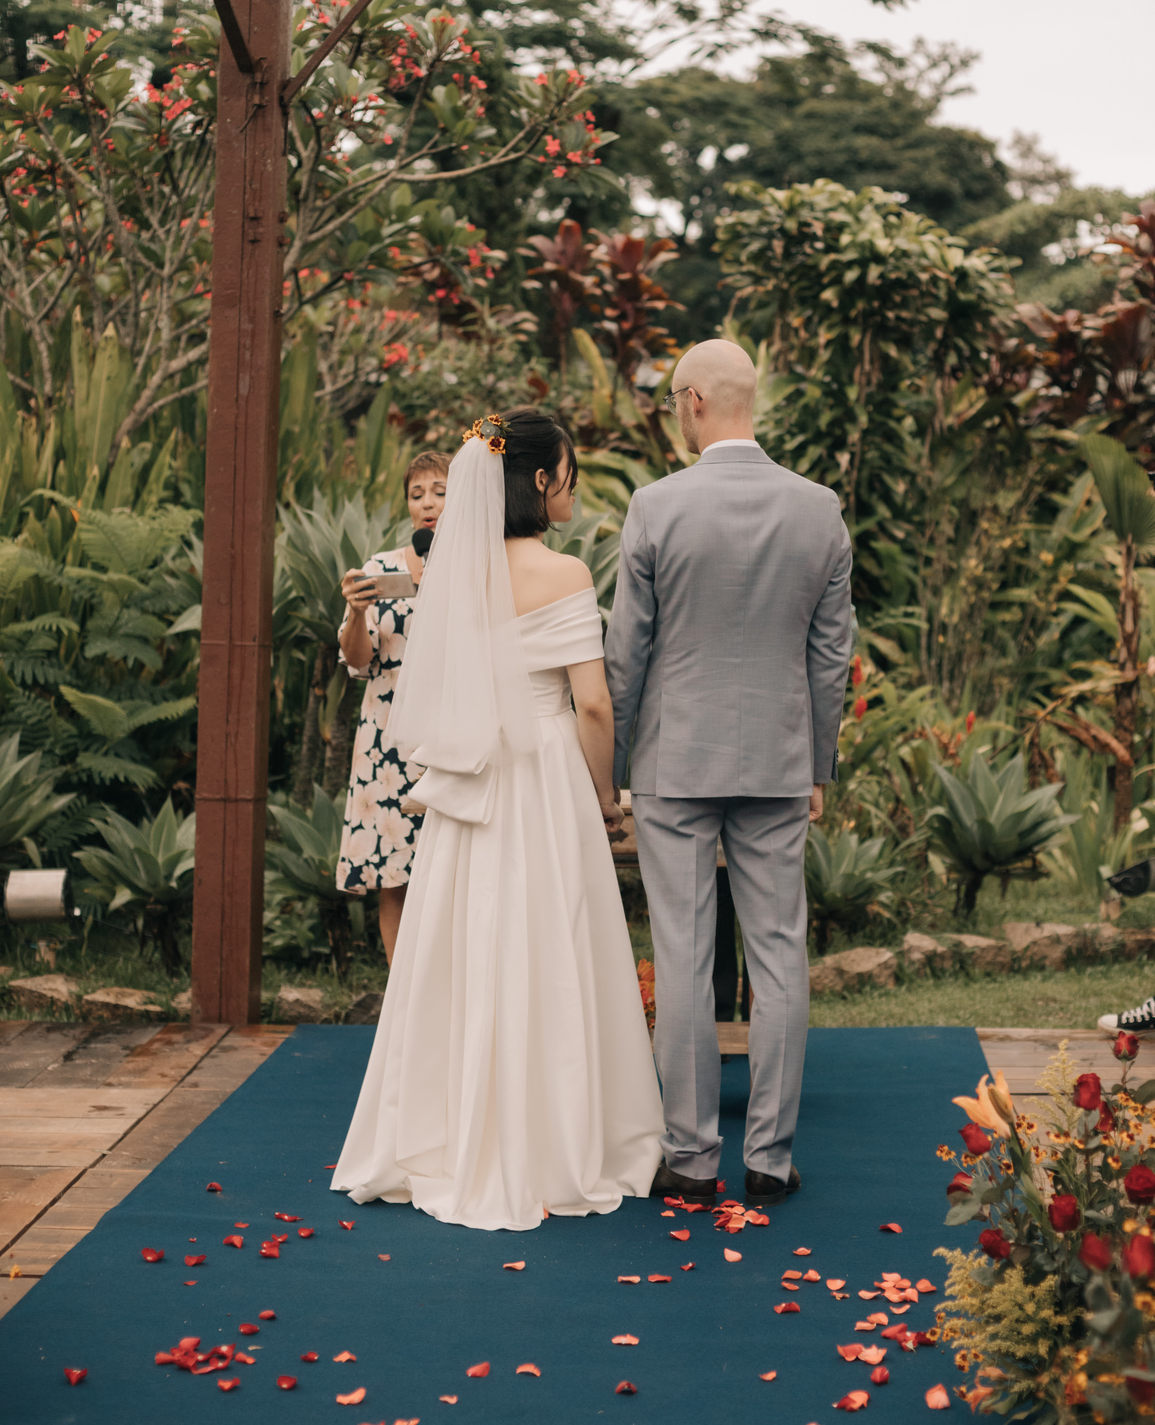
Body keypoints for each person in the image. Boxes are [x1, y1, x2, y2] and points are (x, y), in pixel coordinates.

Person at [331, 409, 664, 1232]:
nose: (574, 488)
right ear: (542, 480)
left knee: (466, 942)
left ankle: (446, 1131)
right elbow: (592, 704)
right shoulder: (567, 573)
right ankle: (558, 1137)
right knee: (553, 937)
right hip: (545, 772)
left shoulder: (454, 574)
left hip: (472, 777)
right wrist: (606, 795)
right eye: (570, 474)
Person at [605, 339, 853, 1206]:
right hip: (779, 759)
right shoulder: (819, 509)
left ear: (696, 401)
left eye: (675, 399)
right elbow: (831, 654)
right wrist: (817, 762)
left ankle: (692, 1156)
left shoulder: (656, 506)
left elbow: (626, 652)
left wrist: (615, 765)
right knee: (780, 954)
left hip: (675, 760)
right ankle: (771, 1159)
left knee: (681, 954)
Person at [336, 451, 449, 964]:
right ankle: (401, 1001)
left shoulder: (481, 565)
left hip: (451, 738)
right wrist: (356, 612)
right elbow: (358, 661)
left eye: (440, 492)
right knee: (394, 878)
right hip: (387, 741)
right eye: (417, 494)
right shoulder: (380, 569)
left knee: (453, 875)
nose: (428, 503)